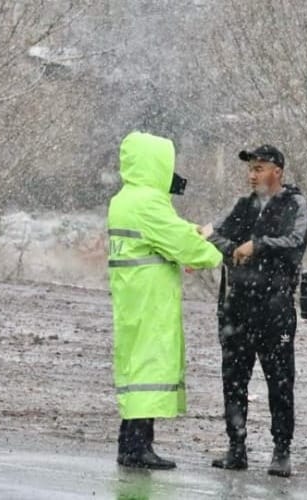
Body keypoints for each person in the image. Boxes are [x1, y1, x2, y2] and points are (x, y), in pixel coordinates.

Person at [107, 131, 223, 469]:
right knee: (149, 367)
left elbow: (168, 230)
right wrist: (216, 252)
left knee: (136, 369)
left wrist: (192, 231)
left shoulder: (125, 199)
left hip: (132, 296)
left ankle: (130, 443)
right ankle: (138, 447)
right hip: (150, 300)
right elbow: (177, 241)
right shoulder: (148, 203)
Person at [206, 144, 307, 478]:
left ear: (277, 171)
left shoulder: (294, 204)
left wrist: (259, 244)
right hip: (237, 309)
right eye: (250, 169)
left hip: (275, 312)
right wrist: (233, 250)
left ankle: (282, 450)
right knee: (234, 379)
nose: (253, 175)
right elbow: (213, 235)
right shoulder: (242, 205)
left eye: (259, 168)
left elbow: (295, 241)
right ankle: (236, 447)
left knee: (280, 380)